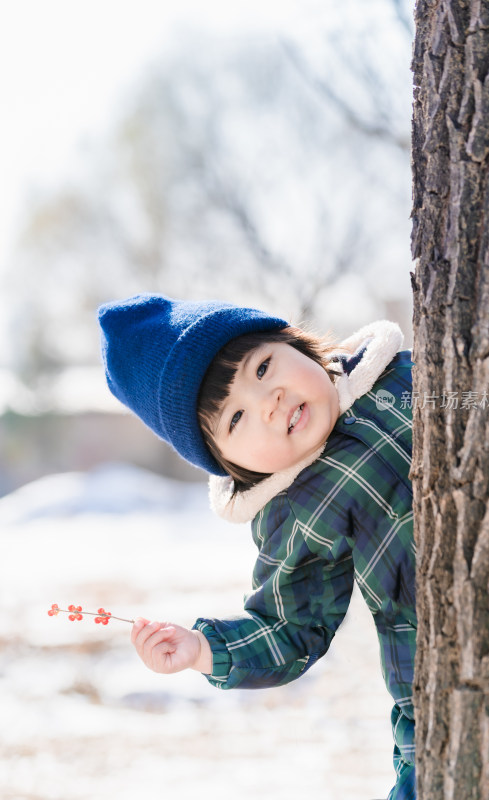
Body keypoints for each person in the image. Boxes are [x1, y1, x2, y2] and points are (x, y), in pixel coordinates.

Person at [98, 292, 416, 800]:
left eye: (263, 367)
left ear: (295, 342)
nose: (268, 402)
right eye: (236, 419)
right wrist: (204, 650)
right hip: (442, 689)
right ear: (229, 464)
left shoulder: (405, 377)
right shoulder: (295, 508)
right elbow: (291, 628)